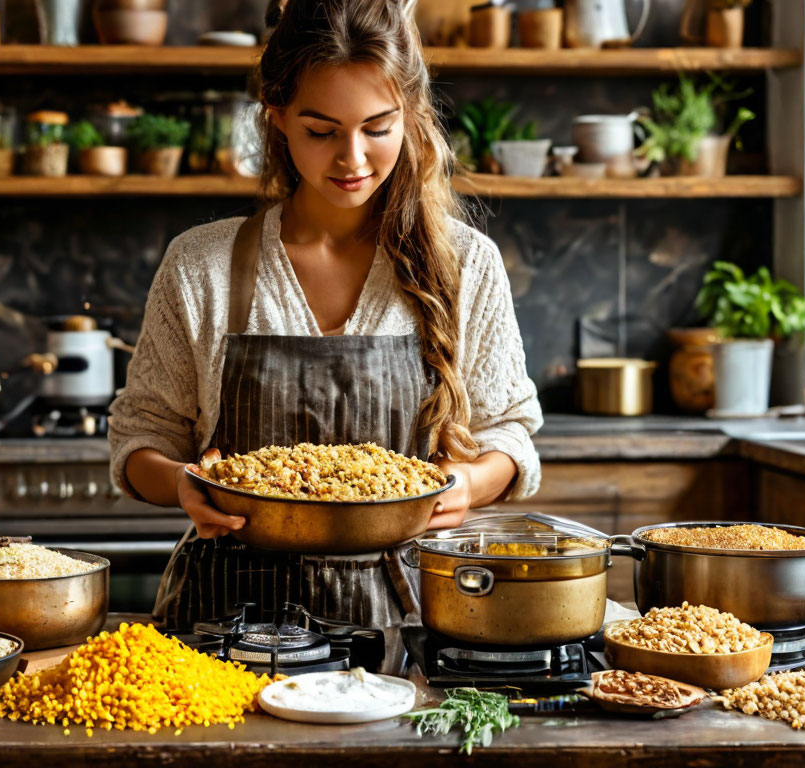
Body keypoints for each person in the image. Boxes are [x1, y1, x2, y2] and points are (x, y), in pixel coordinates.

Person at [107, 0, 542, 634]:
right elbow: (141, 437)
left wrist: (471, 484)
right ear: (277, 118)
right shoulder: (201, 266)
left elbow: (509, 433)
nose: (353, 158)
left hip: (405, 629)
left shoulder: (465, 265)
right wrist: (182, 484)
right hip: (223, 632)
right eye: (321, 129)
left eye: (378, 126)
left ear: (413, 117)